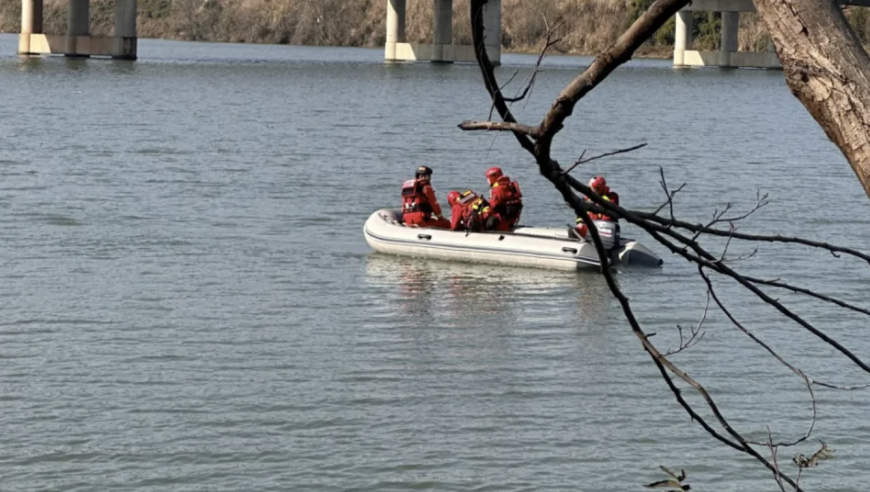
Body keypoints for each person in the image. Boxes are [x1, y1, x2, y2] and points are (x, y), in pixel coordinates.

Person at [485, 167, 523, 231]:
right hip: (511, 219)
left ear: (492, 178)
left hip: (502, 220)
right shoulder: (508, 185)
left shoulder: (498, 190)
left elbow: (493, 205)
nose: (487, 181)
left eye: (488, 178)